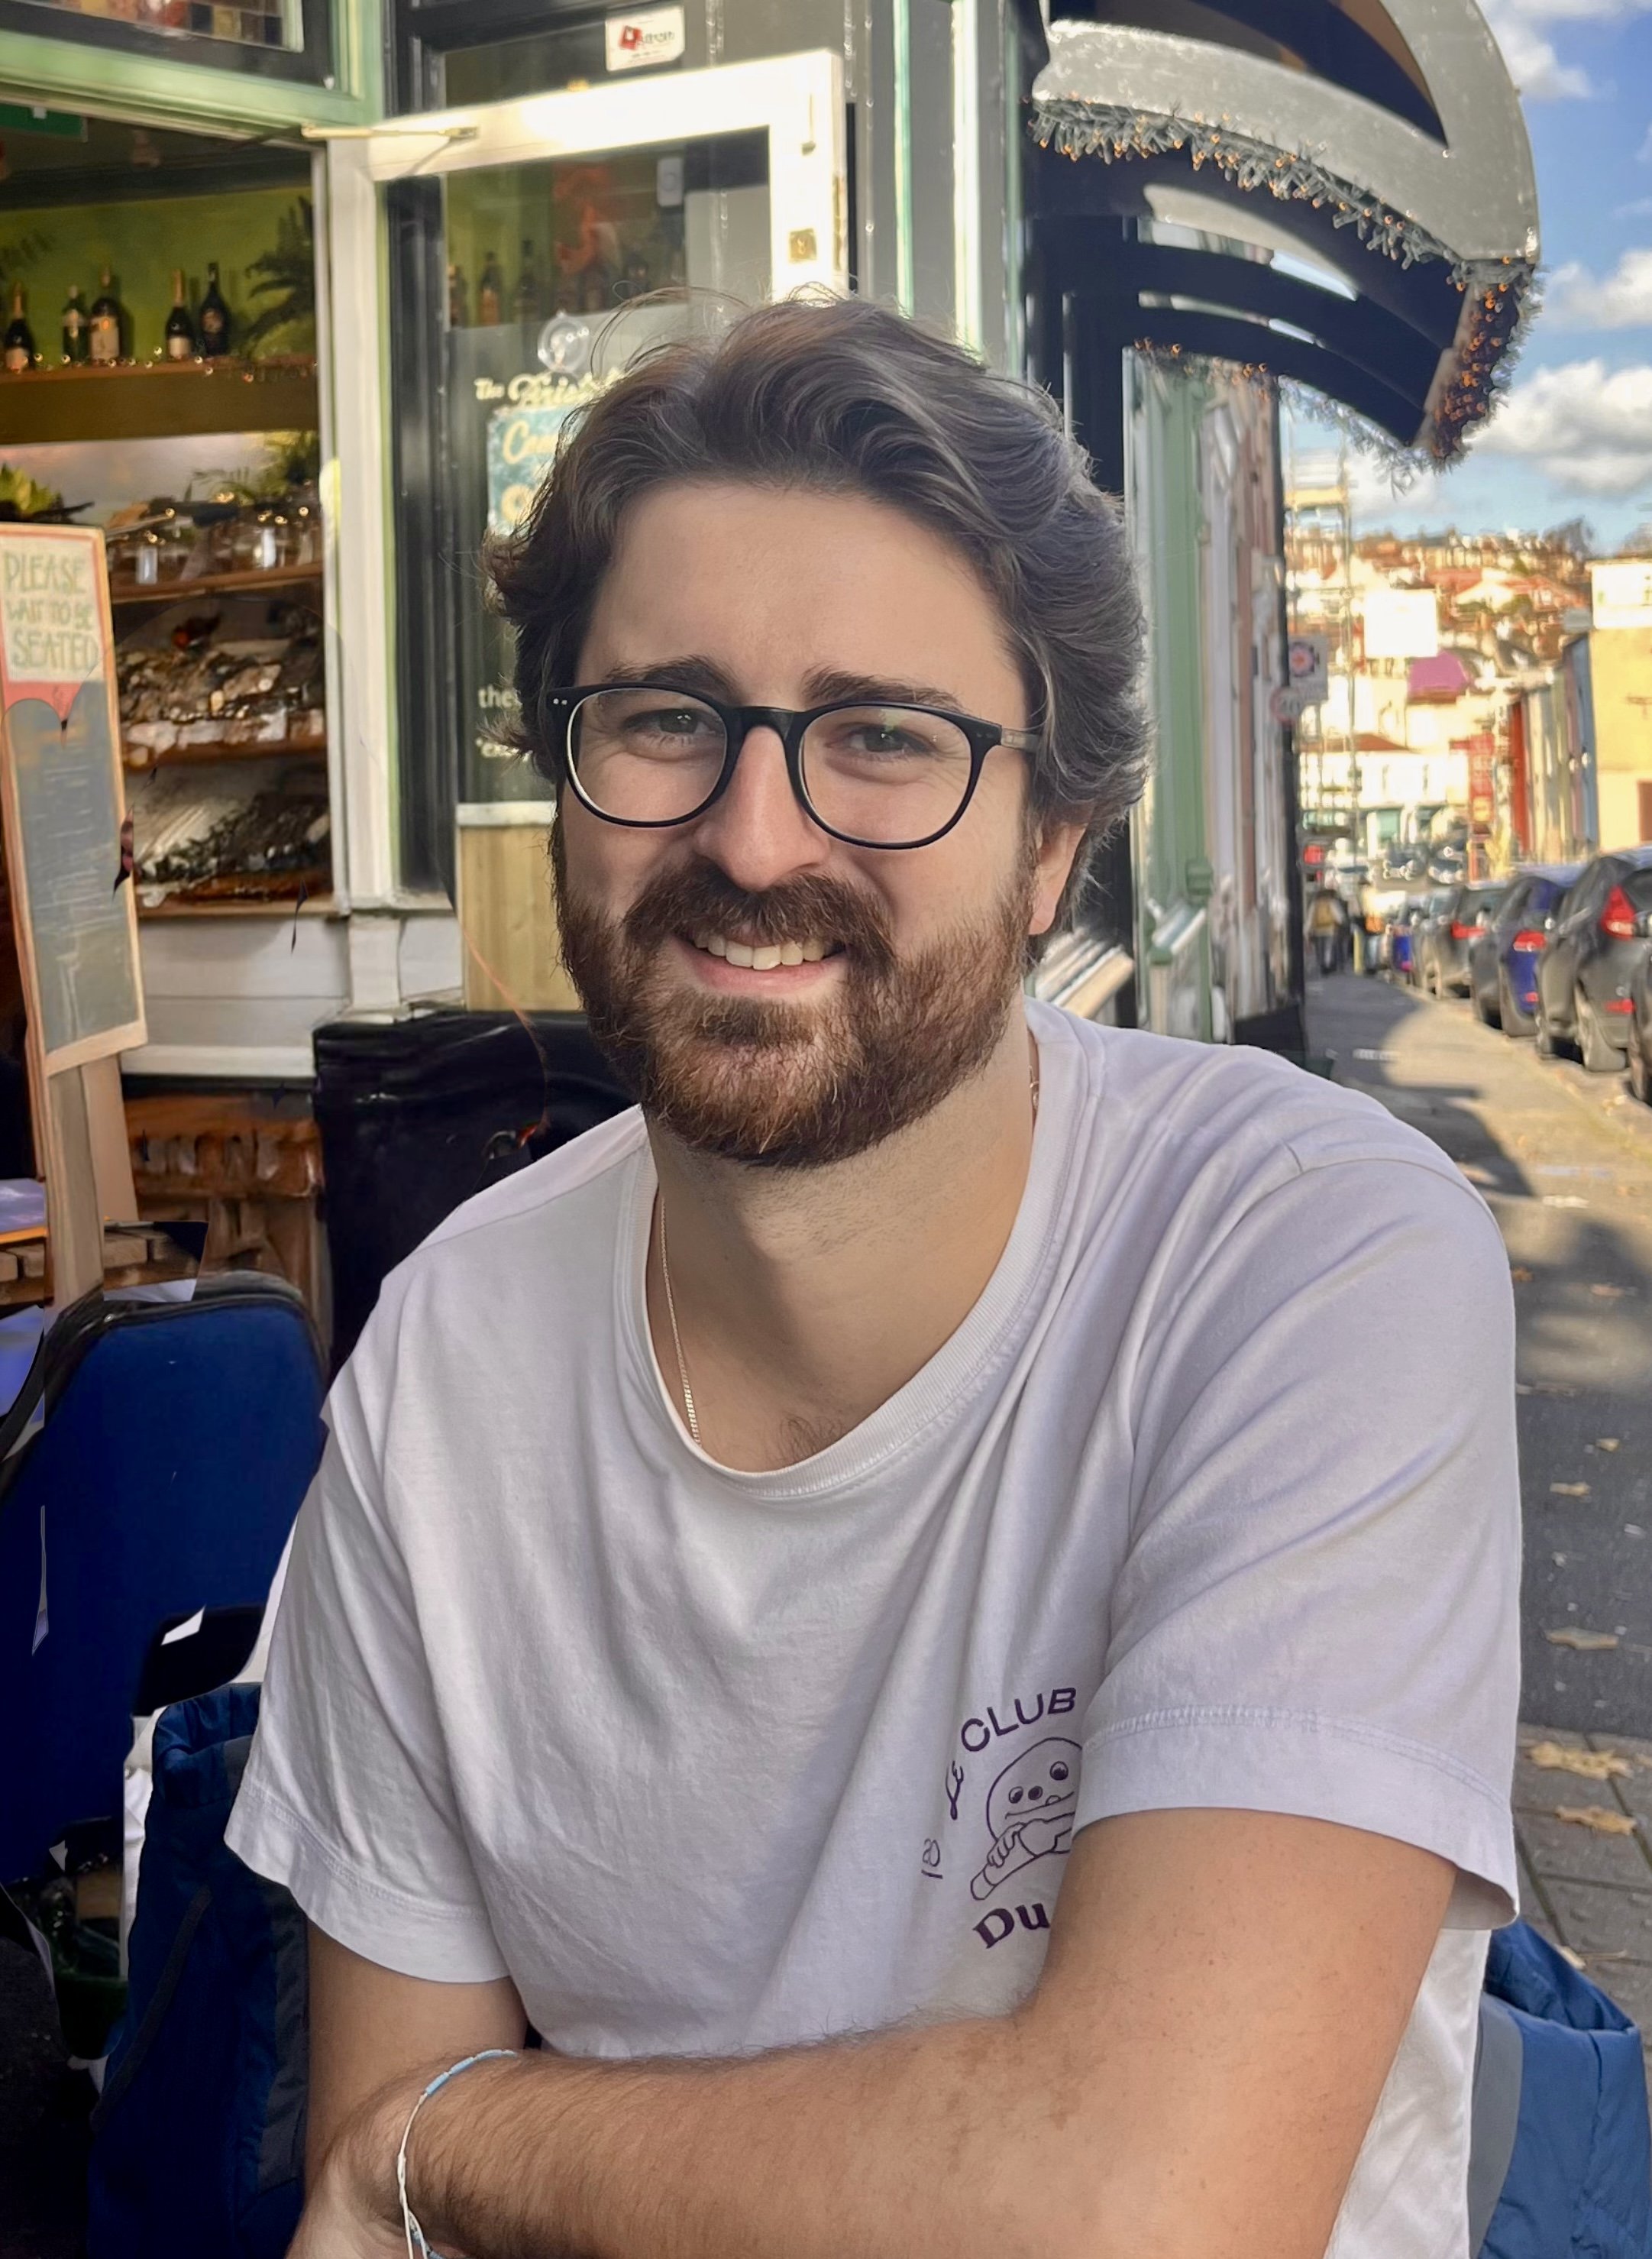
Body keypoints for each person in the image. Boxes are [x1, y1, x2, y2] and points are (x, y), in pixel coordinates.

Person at [228, 296, 1519, 2259]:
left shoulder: (1301, 1256)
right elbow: (371, 2175)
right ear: (566, 777)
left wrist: (472, 2147)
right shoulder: (452, 1358)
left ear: (1048, 847)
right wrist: (418, 2157)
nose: (755, 837)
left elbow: (1144, 2213)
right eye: (667, 716)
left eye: (885, 739)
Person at [1306, 872, 1350, 975]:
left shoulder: (1315, 904)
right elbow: (1338, 916)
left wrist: (1307, 930)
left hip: (1317, 930)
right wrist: (1342, 922)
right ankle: (1327, 964)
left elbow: (1310, 917)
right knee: (1328, 948)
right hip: (1330, 929)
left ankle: (1321, 964)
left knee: (1319, 948)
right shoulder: (1331, 902)